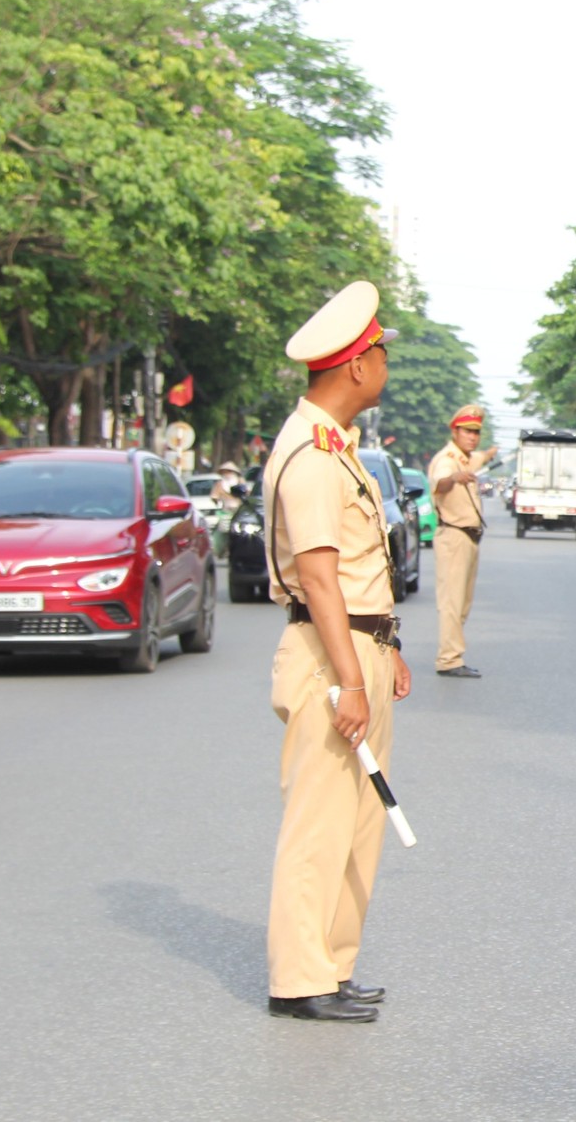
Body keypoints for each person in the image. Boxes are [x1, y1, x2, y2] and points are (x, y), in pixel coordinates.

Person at [262, 280, 412, 1022]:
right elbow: (319, 578)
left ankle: (333, 962)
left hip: (361, 647)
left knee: (360, 820)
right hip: (332, 659)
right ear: (356, 366)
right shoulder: (314, 454)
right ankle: (299, 979)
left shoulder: (338, 446)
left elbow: (357, 571)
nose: (387, 363)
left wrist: (389, 647)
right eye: (381, 352)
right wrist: (352, 680)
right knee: (319, 820)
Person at [428, 405, 495, 679]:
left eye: (476, 432)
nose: (472, 437)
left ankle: (452, 654)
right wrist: (453, 479)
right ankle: (448, 659)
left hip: (468, 538)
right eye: (467, 431)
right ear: (454, 431)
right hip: (454, 536)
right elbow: (440, 482)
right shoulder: (448, 460)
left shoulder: (466, 459)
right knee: (452, 603)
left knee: (463, 602)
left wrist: (492, 453)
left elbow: (479, 458)